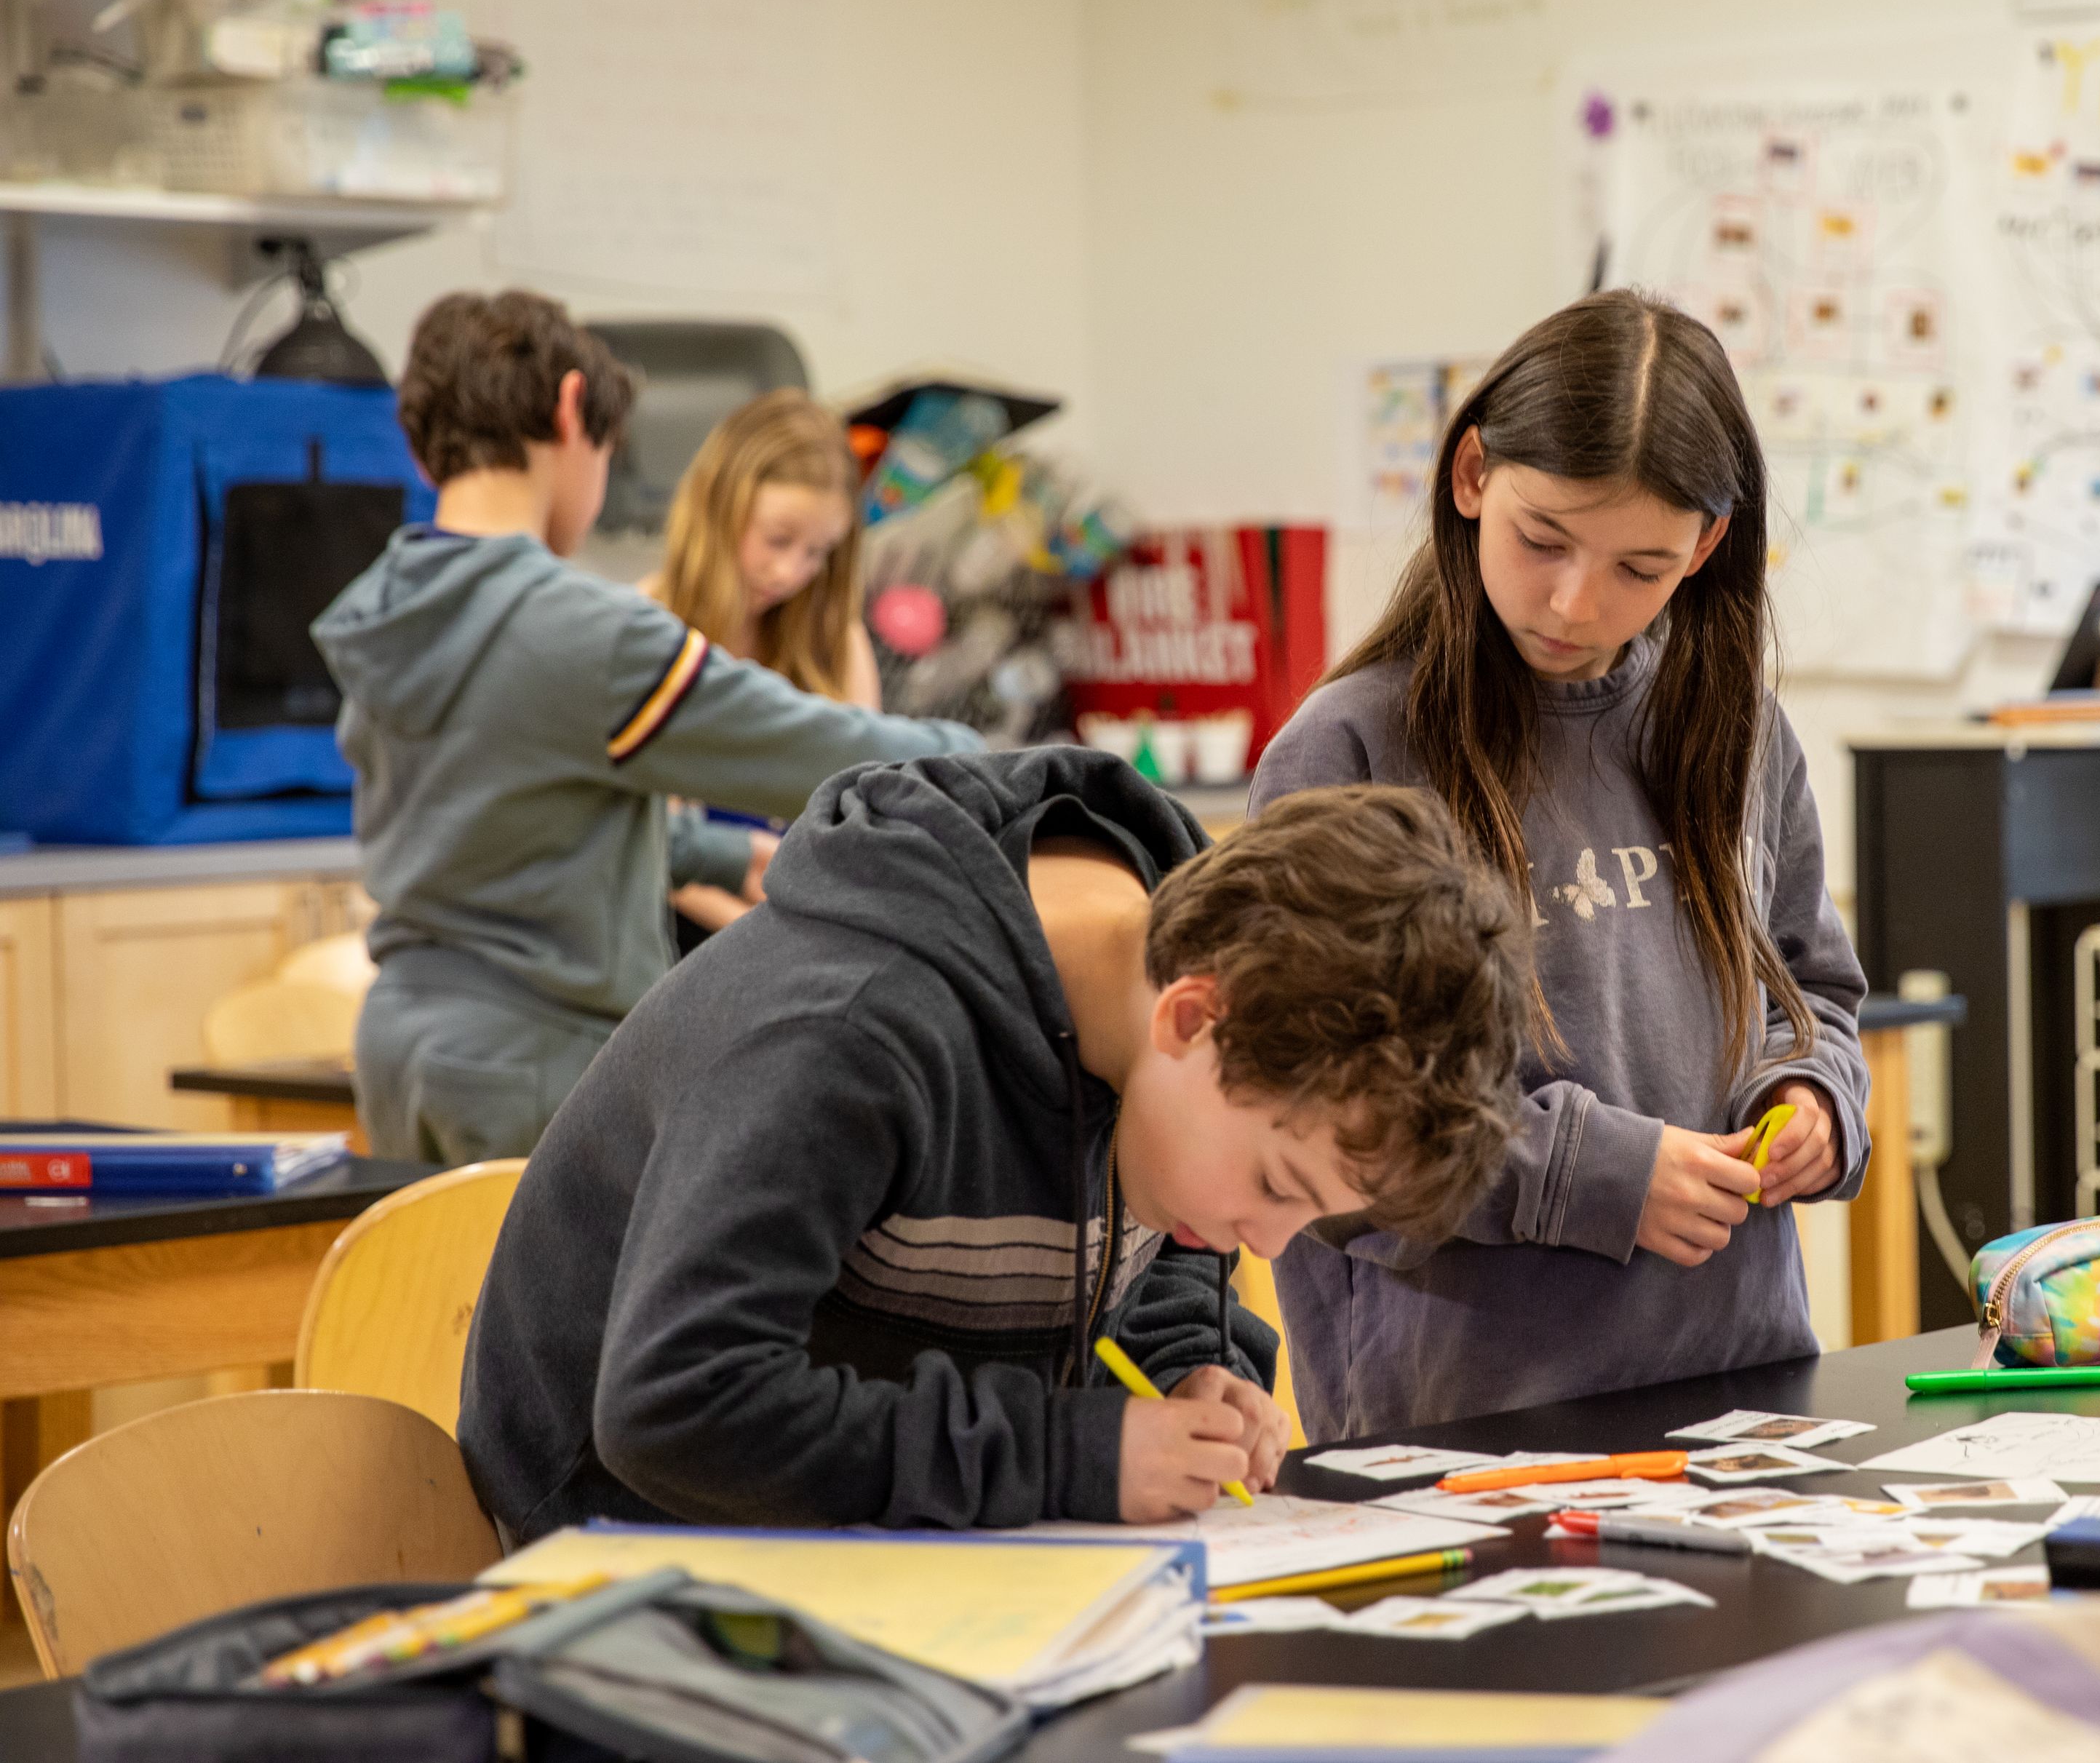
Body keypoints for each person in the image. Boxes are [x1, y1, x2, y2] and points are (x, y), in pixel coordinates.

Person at [458, 756, 1532, 1543]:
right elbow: (671, 1408)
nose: (1269, 1241)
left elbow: (1148, 1252)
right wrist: (1070, 1453)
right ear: (1193, 1016)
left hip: (906, 1551)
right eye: (1275, 1184)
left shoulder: (1175, 1032)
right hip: (632, 1562)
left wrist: (1179, 1383)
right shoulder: (848, 1034)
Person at [1249, 289, 1872, 1441]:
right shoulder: (1351, 749)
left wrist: (1817, 1098)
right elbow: (1312, 1107)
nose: (1577, 602)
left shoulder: (1740, 731)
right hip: (1466, 1423)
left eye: (1641, 565)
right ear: (1472, 475)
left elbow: (1813, 993)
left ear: (1705, 547)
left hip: (1742, 1394)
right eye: (1543, 541)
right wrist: (1591, 1175)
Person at [314, 290, 982, 1164]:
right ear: (570, 409)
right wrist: (999, 766)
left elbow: (501, 815)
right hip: (539, 1058)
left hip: (401, 1045)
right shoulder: (586, 631)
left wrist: (716, 852)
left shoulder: (392, 608)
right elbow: (830, 751)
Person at [637, 388, 881, 936]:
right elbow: (652, 851)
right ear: (718, 508)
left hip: (802, 931)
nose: (791, 572)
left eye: (818, 552)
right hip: (682, 932)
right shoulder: (645, 625)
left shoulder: (838, 643)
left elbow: (859, 830)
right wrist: (768, 946)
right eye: (778, 540)